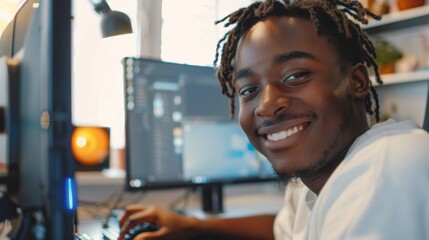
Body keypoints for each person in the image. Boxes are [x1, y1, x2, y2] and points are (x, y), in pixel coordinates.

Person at [119, 0, 429, 239]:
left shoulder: (388, 164)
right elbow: (282, 230)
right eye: (249, 89)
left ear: (358, 82)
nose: (266, 106)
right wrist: (189, 225)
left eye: (296, 75)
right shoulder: (316, 180)